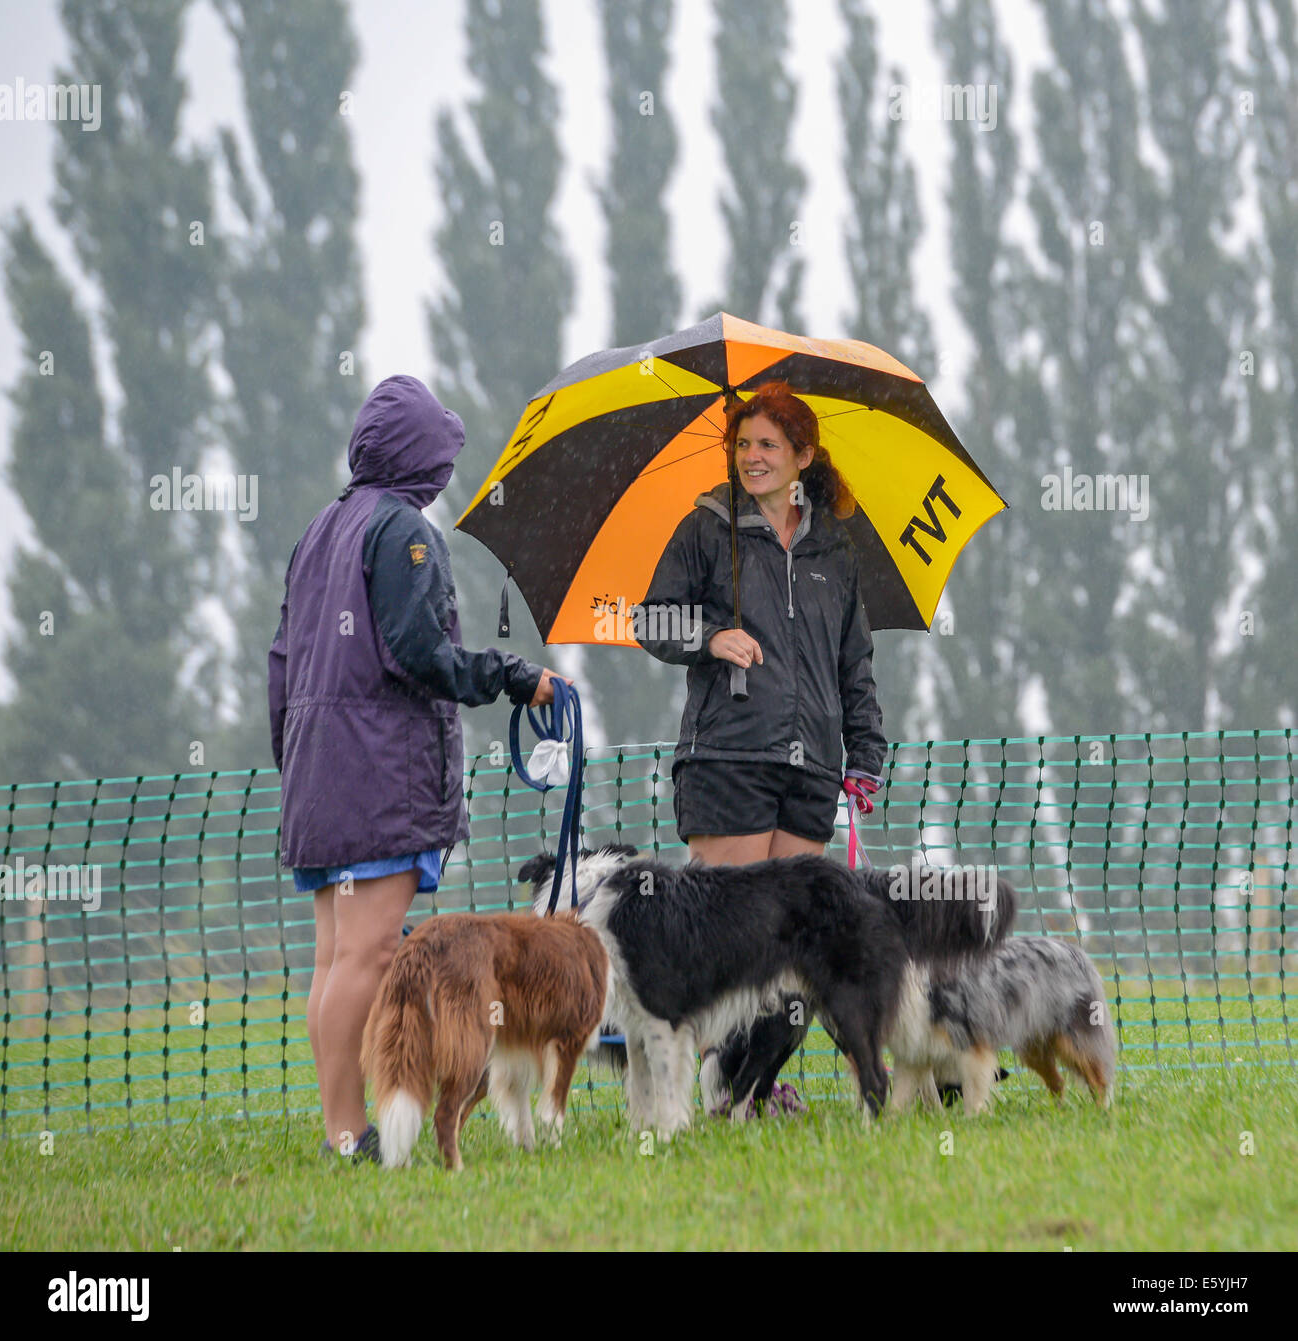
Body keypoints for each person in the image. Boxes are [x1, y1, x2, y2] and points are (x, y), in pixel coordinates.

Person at [269, 374, 567, 1161]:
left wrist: (298, 758)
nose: (445, 469)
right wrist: (509, 674)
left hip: (321, 775)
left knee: (336, 954)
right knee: (366, 954)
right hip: (379, 777)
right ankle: (346, 1132)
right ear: (419, 457)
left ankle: (344, 1127)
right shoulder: (402, 531)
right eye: (441, 452)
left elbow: (281, 664)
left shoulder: (318, 532)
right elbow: (418, 653)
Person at [639, 380, 887, 1115]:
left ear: (803, 455)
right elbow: (652, 620)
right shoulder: (706, 529)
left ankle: (752, 1088)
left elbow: (856, 664)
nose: (752, 457)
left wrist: (865, 753)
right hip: (727, 762)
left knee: (790, 952)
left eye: (768, 445)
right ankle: (697, 1086)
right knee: (726, 947)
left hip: (811, 768)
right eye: (743, 443)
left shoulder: (835, 546)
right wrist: (709, 637)